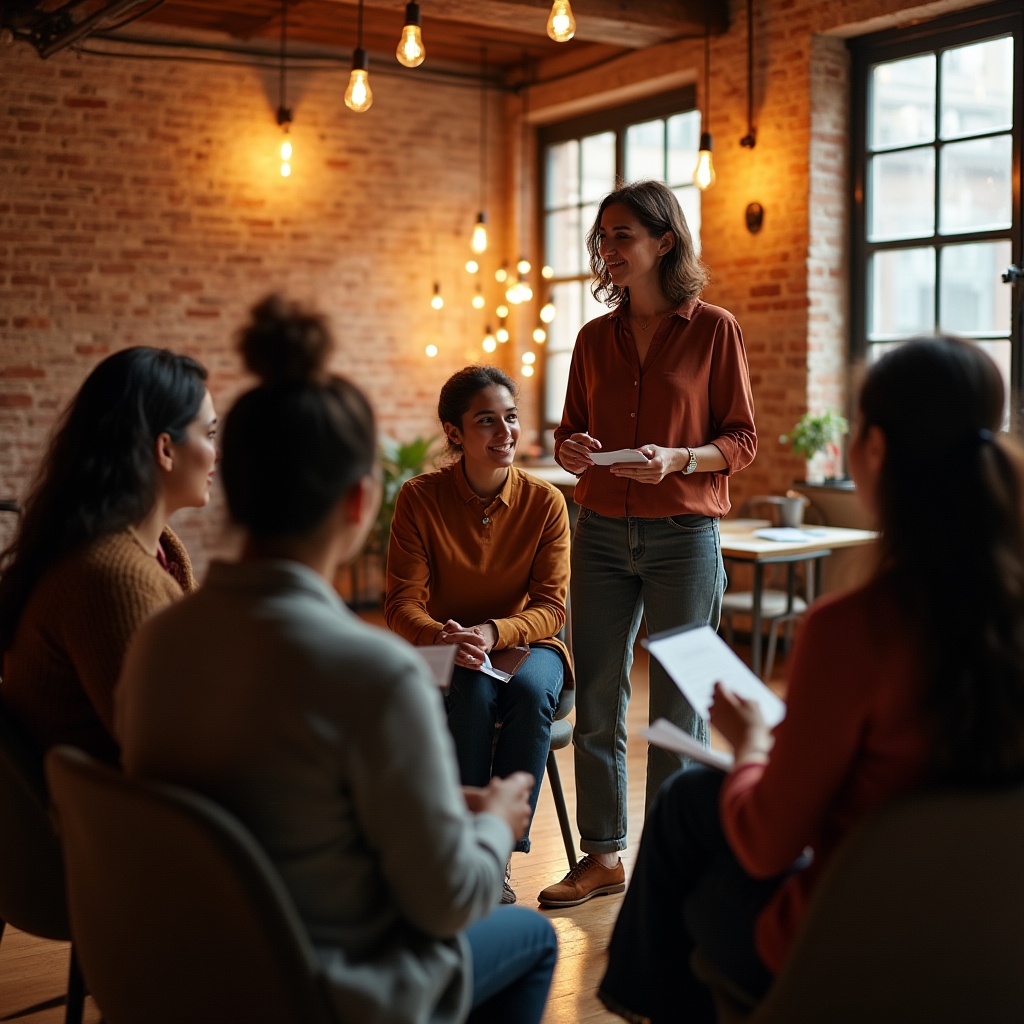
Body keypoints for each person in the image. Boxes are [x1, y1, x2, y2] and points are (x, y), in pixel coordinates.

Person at [116, 296, 558, 1024]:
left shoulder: (158, 643)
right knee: (532, 938)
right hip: (323, 989)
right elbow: (446, 899)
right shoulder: (375, 678)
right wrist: (495, 822)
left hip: (183, 975)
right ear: (360, 502)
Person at [598, 336, 1024, 1024]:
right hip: (993, 942)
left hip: (851, 941)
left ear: (876, 450)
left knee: (691, 828)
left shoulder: (856, 629)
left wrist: (755, 743)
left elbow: (768, 845)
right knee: (691, 799)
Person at [541, 180, 757, 907]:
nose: (607, 250)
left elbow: (742, 440)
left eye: (621, 234)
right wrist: (572, 450)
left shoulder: (714, 329)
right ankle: (602, 856)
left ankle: (673, 856)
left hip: (684, 536)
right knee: (598, 696)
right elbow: (568, 428)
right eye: (602, 237)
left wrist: (678, 459)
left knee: (680, 705)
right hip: (598, 532)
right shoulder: (592, 339)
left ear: (664, 241)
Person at [385, 366, 571, 904]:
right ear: (454, 433)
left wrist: (493, 631)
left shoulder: (546, 503)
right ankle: (464, 848)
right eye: (486, 421)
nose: (505, 432)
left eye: (510, 418)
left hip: (529, 644)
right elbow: (401, 606)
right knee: (471, 688)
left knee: (532, 691)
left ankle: (497, 853)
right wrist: (444, 637)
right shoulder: (419, 499)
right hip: (446, 647)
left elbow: (551, 608)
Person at [0, 347, 215, 763]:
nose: (216, 454)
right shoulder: (110, 577)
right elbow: (175, 755)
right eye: (209, 434)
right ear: (166, 449)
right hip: (115, 824)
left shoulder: (143, 553)